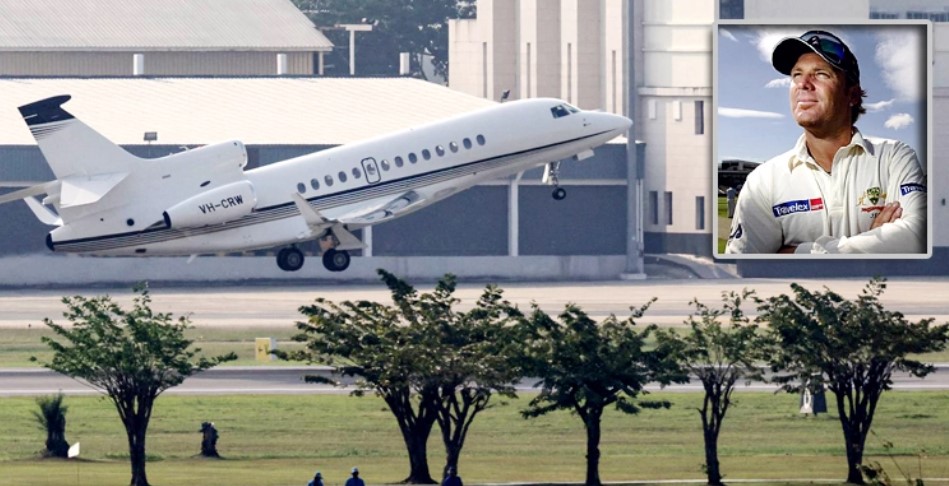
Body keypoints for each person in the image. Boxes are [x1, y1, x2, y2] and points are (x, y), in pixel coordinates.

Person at [725, 30, 927, 254]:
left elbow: (918, 235)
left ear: (852, 95)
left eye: (821, 74)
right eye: (796, 75)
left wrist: (795, 253)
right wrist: (874, 244)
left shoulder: (893, 156)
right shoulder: (763, 180)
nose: (803, 84)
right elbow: (745, 266)